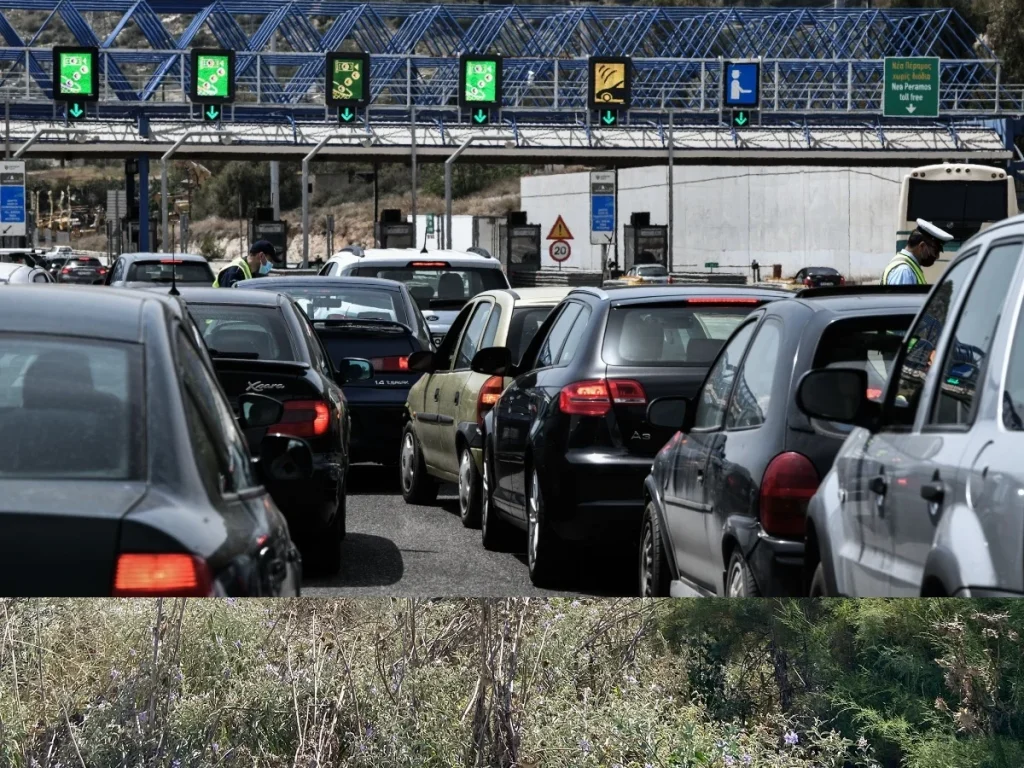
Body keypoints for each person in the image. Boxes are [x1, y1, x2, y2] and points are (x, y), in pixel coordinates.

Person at [880, 218, 953, 285]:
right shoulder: (904, 271)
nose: (937, 256)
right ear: (922, 246)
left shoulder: (908, 267)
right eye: (936, 251)